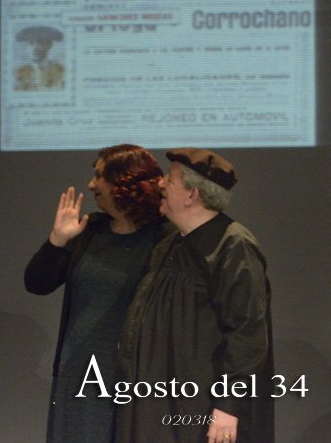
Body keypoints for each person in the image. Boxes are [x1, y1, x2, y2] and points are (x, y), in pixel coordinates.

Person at [115, 148, 274, 443]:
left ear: (192, 195)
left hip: (198, 406)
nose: (160, 184)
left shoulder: (232, 246)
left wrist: (228, 406)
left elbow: (247, 334)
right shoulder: (171, 242)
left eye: (170, 179)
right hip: (157, 398)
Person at [24, 144, 166, 443]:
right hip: (78, 373)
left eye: (99, 176)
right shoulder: (90, 230)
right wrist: (57, 241)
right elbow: (37, 284)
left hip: (136, 378)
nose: (90, 185)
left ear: (123, 182)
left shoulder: (165, 237)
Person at [14, 25, 65, 91]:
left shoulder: (60, 70)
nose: (34, 48)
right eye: (30, 43)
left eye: (40, 42)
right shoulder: (20, 72)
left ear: (50, 45)